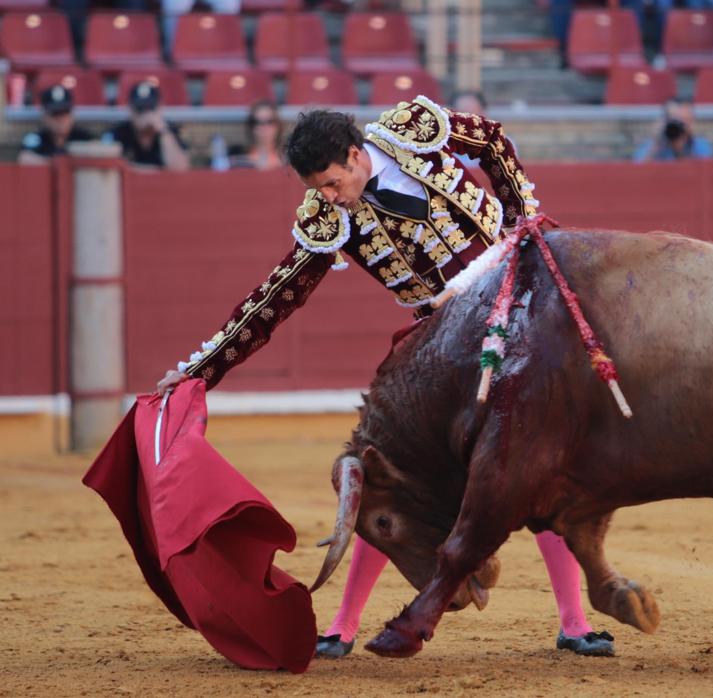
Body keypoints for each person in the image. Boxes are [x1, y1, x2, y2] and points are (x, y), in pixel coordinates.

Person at [154, 98, 616, 660]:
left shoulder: (415, 132)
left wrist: (520, 221)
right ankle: (343, 627)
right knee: (390, 474)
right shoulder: (330, 219)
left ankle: (573, 622)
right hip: (442, 333)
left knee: (537, 460)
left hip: (519, 299)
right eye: (317, 189)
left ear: (355, 156)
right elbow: (275, 299)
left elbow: (492, 141)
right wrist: (202, 370)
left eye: (331, 183)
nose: (328, 196)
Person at [102, 82, 191, 171]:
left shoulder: (170, 133)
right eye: (140, 109)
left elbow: (180, 169)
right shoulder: (119, 134)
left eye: (150, 108)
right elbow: (106, 167)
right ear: (130, 109)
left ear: (160, 109)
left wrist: (163, 131)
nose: (145, 115)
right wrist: (153, 170)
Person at [17, 85, 93, 165]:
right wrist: (58, 165)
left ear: (72, 115)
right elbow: (24, 158)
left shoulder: (84, 138)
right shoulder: (37, 139)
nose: (61, 119)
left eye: (65, 113)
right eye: (55, 114)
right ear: (44, 116)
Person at [634, 97, 713, 162]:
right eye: (673, 119)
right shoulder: (654, 144)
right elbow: (636, 171)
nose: (676, 125)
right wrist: (656, 143)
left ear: (691, 122)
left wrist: (680, 150)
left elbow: (704, 173)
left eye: (682, 120)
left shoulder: (700, 145)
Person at [229, 100, 283, 171]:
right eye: (258, 122)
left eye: (269, 121)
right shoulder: (237, 161)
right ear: (251, 127)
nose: (264, 127)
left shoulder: (289, 161)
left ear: (278, 125)